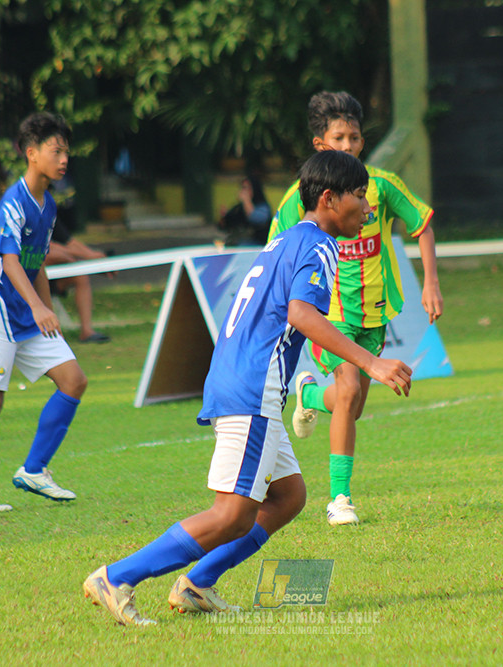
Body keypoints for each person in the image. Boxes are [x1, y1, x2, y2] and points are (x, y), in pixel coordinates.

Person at [82, 150, 413, 626]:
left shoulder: (287, 240)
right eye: (359, 196)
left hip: (242, 376)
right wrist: (371, 362)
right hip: (255, 383)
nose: (367, 208)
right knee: (232, 514)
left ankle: (197, 585)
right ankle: (117, 576)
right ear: (328, 199)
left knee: (289, 496)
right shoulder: (320, 245)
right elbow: (302, 314)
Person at [267, 91, 444, 526]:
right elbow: (276, 248)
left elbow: (421, 223)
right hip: (330, 315)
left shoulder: (379, 186)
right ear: (319, 144)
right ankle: (340, 499)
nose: (348, 146)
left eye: (355, 138)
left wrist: (431, 284)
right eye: (338, 138)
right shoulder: (300, 198)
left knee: (352, 404)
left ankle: (307, 395)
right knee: (347, 393)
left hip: (375, 315)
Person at [0, 112, 86, 516]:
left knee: (73, 380)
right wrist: (39, 306)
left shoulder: (48, 205)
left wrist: (48, 309)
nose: (63, 159)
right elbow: (9, 262)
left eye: (66, 152)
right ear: (31, 153)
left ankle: (34, 470)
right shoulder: (12, 203)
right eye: (56, 151)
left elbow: (36, 262)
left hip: (28, 316)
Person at [46, 219, 112, 343]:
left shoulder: (49, 212)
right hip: (24, 277)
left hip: (47, 277)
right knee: (62, 257)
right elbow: (46, 250)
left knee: (80, 275)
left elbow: (70, 242)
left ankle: (87, 332)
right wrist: (86, 256)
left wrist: (95, 257)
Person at [218, 175, 272, 246]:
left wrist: (246, 200)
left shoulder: (263, 207)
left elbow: (254, 218)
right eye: (243, 188)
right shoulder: (240, 207)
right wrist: (224, 217)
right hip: (239, 244)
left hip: (258, 245)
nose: (244, 191)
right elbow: (225, 225)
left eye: (247, 188)